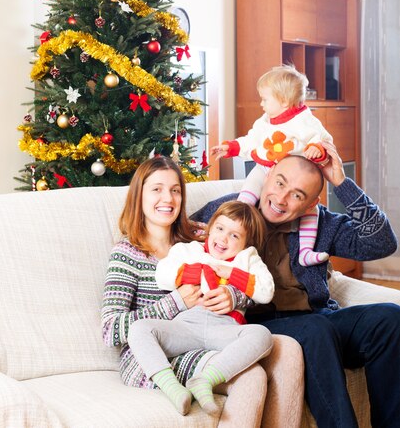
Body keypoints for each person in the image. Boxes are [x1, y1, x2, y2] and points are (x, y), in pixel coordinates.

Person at [195, 141, 400, 427]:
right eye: (279, 183)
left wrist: (340, 181)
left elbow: (382, 242)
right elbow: (183, 245)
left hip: (317, 321)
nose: (281, 199)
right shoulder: (232, 210)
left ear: (311, 203)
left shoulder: (322, 224)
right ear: (267, 176)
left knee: (390, 318)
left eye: (297, 195)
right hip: (258, 326)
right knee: (317, 329)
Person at [101, 155, 303, 427]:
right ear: (139, 195)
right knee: (251, 376)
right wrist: (176, 302)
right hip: (157, 354)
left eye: (175, 190)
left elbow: (241, 270)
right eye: (157, 189)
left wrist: (234, 296)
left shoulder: (200, 235)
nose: (168, 198)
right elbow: (110, 329)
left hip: (213, 334)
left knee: (288, 349)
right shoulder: (126, 254)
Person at [127, 200, 274, 415]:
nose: (224, 238)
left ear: (246, 243)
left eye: (235, 236)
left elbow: (266, 292)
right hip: (186, 325)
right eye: (220, 228)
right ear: (210, 227)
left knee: (262, 335)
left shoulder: (248, 259)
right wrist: (188, 273)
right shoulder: (189, 250)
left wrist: (231, 273)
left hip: (225, 328)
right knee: (139, 328)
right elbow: (162, 275)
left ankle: (205, 380)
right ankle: (173, 388)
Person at [211, 64, 333, 266]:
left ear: (284, 102)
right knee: (250, 184)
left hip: (296, 177)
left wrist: (317, 150)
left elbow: (325, 141)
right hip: (267, 169)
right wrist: (231, 147)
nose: (261, 103)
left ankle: (305, 251)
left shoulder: (305, 121)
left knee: (311, 210)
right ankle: (240, 218)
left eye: (265, 99)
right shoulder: (265, 121)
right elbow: (251, 140)